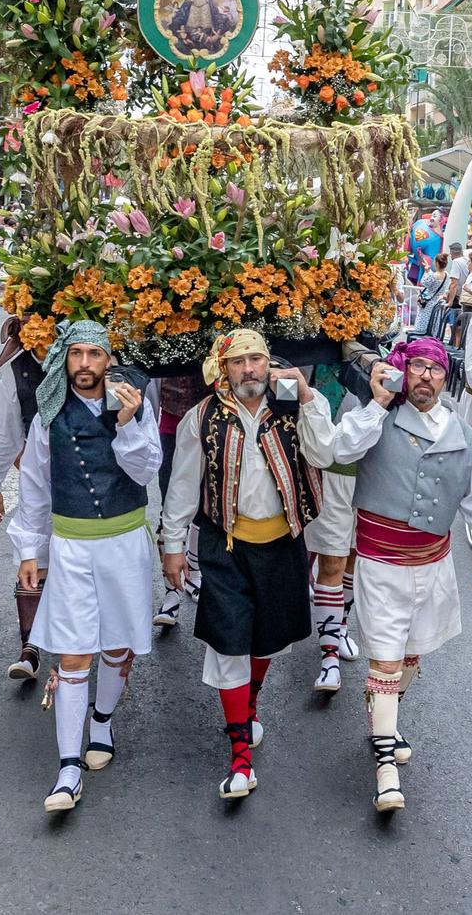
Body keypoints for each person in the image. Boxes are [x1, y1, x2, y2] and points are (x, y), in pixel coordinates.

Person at [316, 338, 472, 812]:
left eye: (434, 369)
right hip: (380, 564)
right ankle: (385, 770)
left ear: (445, 378)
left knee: (410, 659)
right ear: (404, 370)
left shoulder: (461, 431)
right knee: (385, 663)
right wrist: (378, 402)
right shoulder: (375, 418)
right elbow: (336, 449)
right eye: (416, 366)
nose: (425, 376)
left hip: (434, 565)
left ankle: (383, 710)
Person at [159, 329, 335, 799]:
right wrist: (171, 544)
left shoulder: (292, 408)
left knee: (265, 640)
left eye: (257, 359)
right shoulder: (203, 417)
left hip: (282, 544)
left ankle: (249, 707)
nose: (250, 369)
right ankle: (241, 760)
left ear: (269, 363)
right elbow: (182, 485)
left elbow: (325, 455)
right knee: (228, 643)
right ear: (223, 368)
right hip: (226, 547)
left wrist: (308, 395)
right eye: (239, 361)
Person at [6, 320, 161, 813]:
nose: (86, 364)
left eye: (96, 354)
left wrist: (128, 425)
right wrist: (30, 552)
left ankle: (102, 720)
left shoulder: (135, 405)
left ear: (108, 359)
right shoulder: (48, 416)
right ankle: (68, 767)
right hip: (72, 546)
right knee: (73, 655)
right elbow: (33, 485)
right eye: (77, 355)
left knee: (116, 645)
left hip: (124, 542)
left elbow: (146, 470)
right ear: (64, 360)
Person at [0, 315, 46, 681]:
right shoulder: (19, 369)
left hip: (91, 477)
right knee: (33, 552)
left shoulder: (95, 357)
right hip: (38, 475)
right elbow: (2, 427)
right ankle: (30, 645)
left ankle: (82, 642)